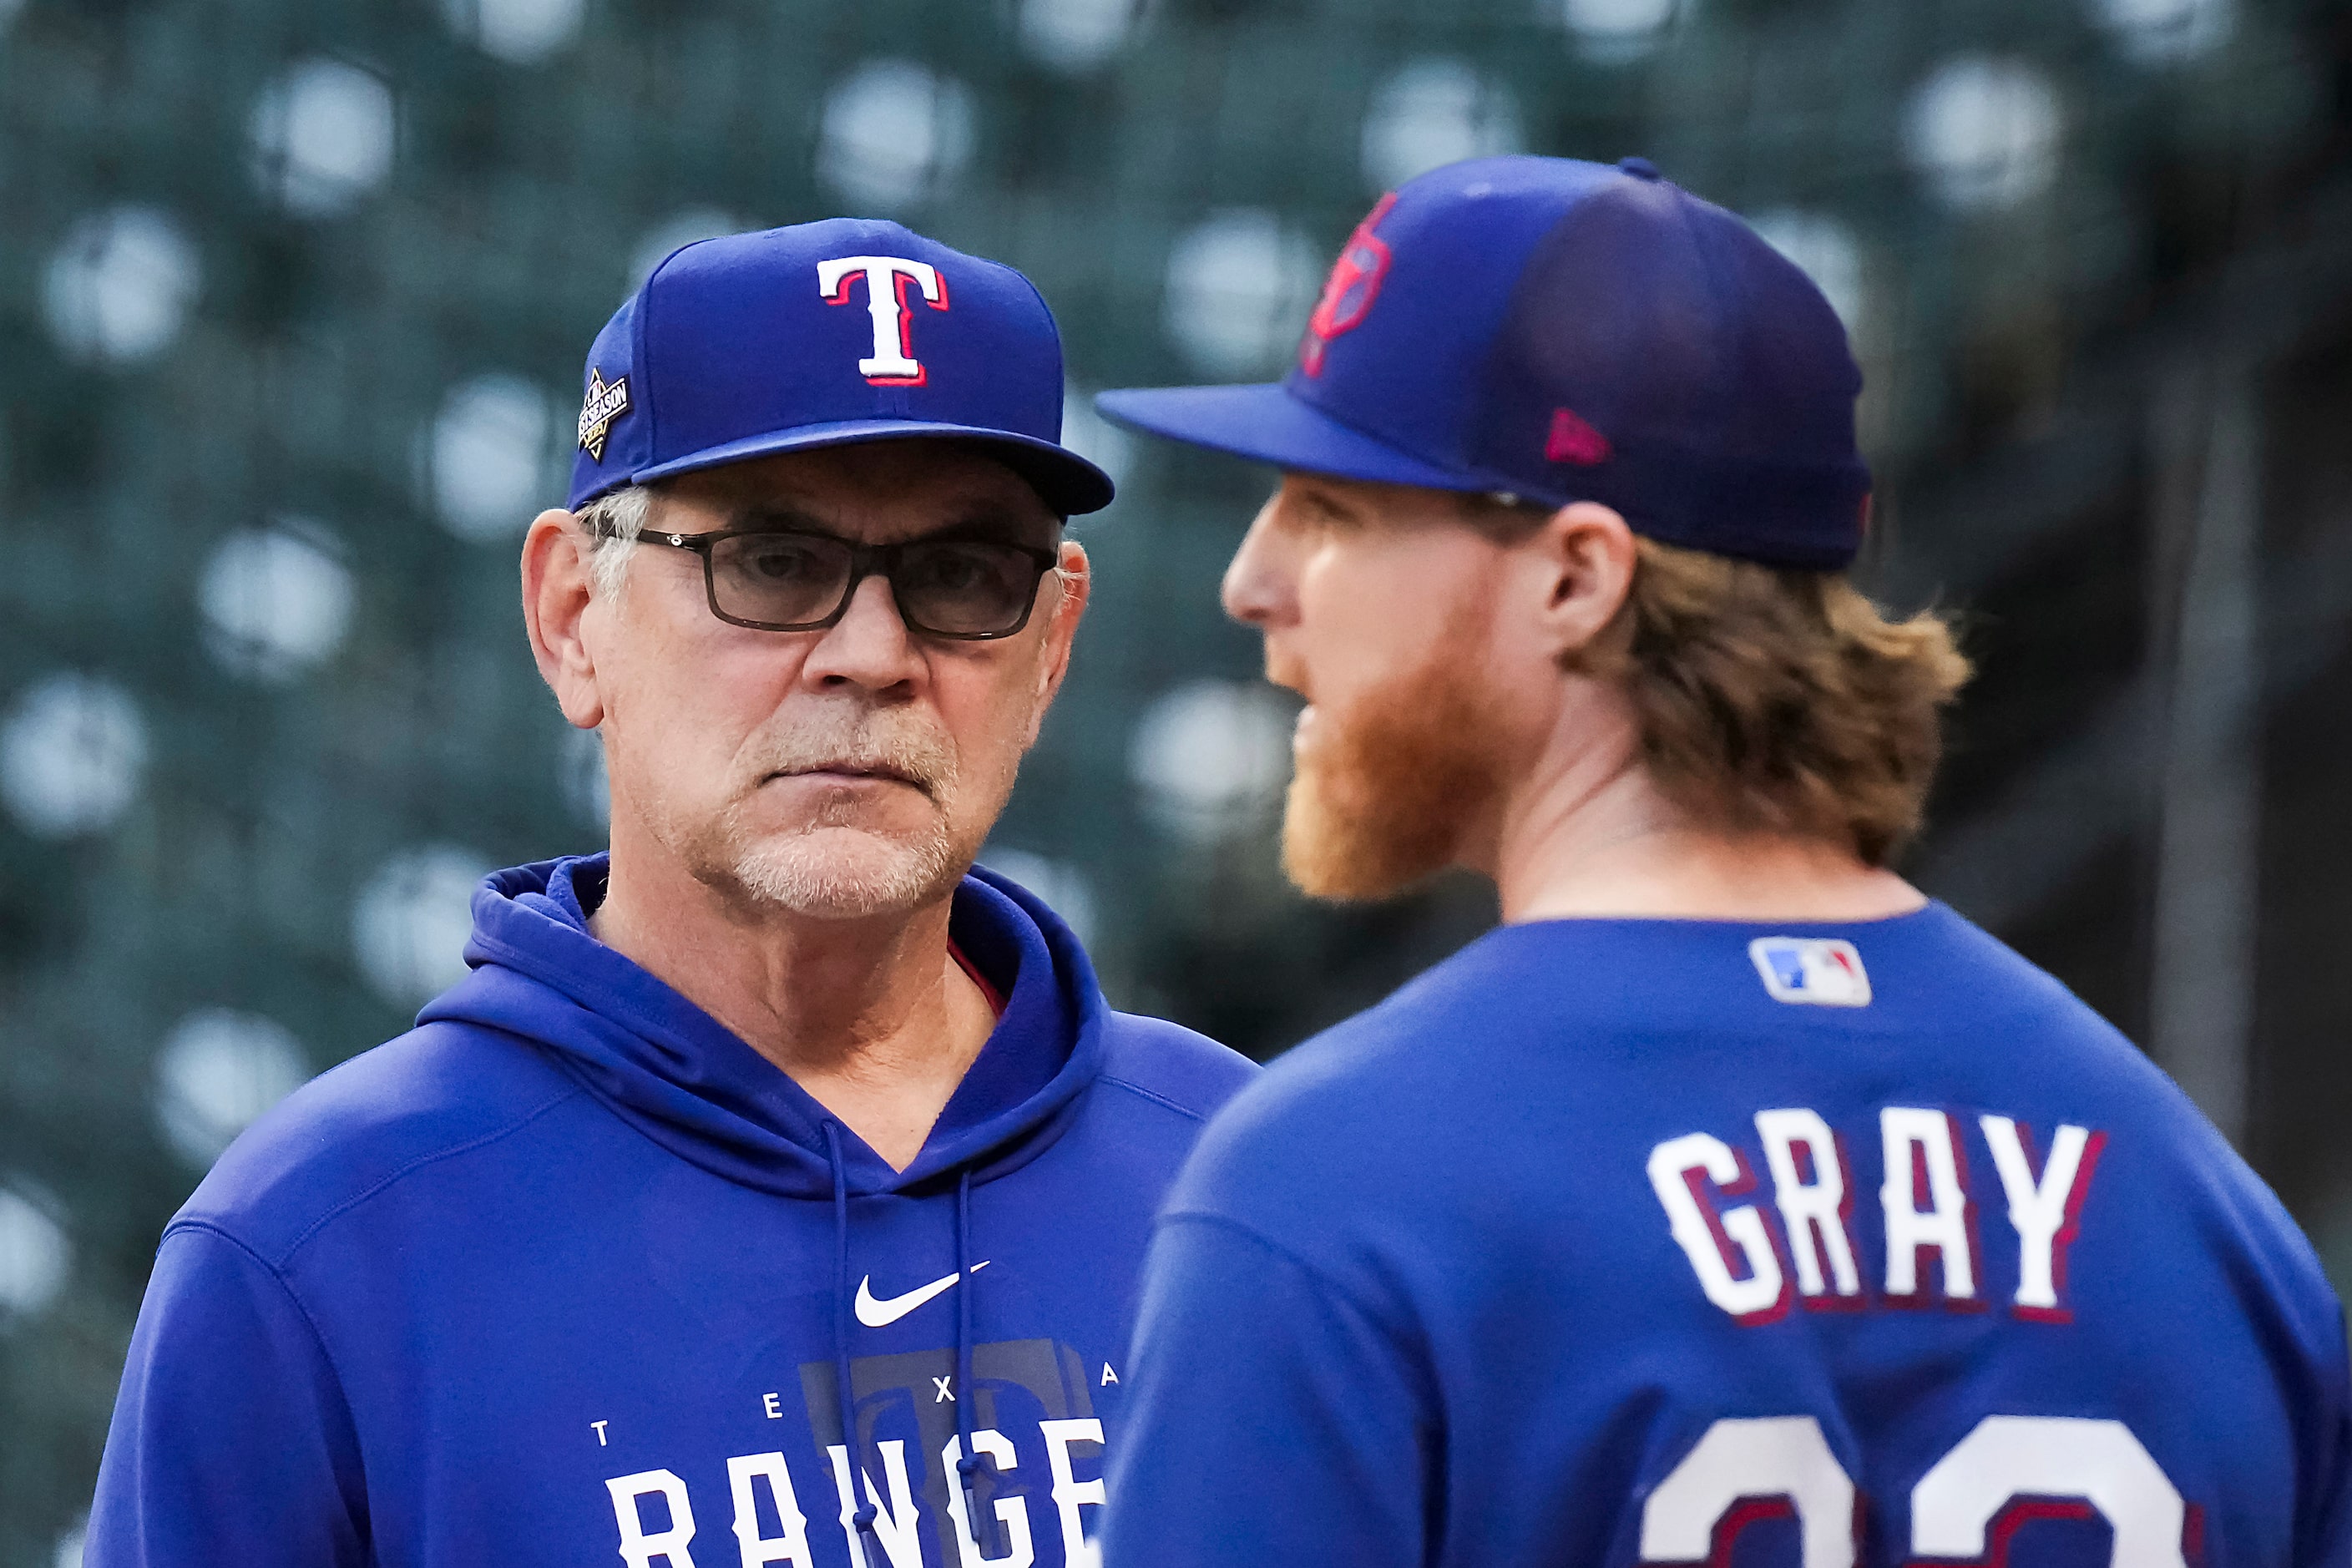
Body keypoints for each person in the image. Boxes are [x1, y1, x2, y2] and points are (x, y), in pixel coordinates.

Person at [1093, 156, 2349, 1566]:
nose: (1251, 586)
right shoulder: (2203, 1216)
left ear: (1576, 576)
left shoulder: (1334, 1194)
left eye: (1333, 511)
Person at [87, 220, 1254, 1568]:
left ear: (1050, 646)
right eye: (770, 563)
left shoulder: (1247, 1178)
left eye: (961, 575)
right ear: (572, 616)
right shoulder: (319, 1245)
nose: (870, 655)